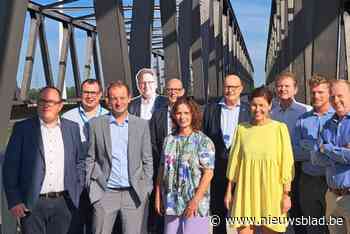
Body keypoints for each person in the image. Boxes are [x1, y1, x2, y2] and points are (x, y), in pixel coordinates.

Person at [3, 87, 85, 234]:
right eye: (42, 101)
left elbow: (79, 162)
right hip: (32, 203)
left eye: (51, 102)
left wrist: (77, 190)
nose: (46, 105)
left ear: (60, 105)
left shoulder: (72, 128)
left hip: (65, 202)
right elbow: (10, 167)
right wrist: (15, 200)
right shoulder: (22, 129)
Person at [86, 81, 153, 234]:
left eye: (122, 98)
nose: (118, 102)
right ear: (108, 100)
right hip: (105, 193)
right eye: (114, 98)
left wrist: (146, 189)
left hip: (134, 194)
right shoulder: (96, 125)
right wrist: (92, 187)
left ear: (130, 98)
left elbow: (147, 160)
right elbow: (90, 158)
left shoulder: (141, 125)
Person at [225, 86, 294, 234]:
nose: (257, 109)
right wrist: (229, 191)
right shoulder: (241, 129)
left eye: (262, 105)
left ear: (269, 106)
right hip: (245, 190)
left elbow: (286, 164)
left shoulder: (279, 129)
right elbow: (234, 163)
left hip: (272, 191)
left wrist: (286, 195)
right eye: (254, 105)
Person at [155, 97, 215, 234]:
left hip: (195, 204)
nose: (182, 117)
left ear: (193, 114)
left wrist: (195, 201)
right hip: (171, 203)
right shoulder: (168, 140)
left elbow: (208, 173)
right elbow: (161, 169)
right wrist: (158, 196)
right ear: (174, 115)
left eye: (186, 113)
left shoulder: (203, 141)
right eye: (179, 113)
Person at [202, 74, 250, 234]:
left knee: (243, 216)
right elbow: (204, 138)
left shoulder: (249, 110)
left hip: (243, 172)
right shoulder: (211, 109)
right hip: (217, 171)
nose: (230, 90)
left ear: (241, 89)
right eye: (227, 87)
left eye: (234, 87)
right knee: (217, 215)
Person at [62, 79, 108, 234]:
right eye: (86, 92)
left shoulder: (109, 117)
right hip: (76, 179)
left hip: (102, 178)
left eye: (93, 92)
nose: (90, 96)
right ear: (81, 94)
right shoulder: (68, 117)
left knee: (99, 224)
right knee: (76, 224)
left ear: (100, 94)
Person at [271, 72, 311, 234]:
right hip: (277, 169)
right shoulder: (271, 113)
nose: (283, 89)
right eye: (280, 86)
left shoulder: (306, 111)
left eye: (287, 86)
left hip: (299, 166)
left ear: (295, 89)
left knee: (299, 209)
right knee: (278, 209)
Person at [294, 75, 334, 234]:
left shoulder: (338, 118)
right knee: (312, 225)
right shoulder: (302, 120)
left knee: (335, 225)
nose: (316, 96)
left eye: (320, 92)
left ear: (329, 93)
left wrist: (308, 149)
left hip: (332, 181)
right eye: (313, 92)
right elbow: (295, 152)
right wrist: (320, 151)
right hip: (308, 180)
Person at [311, 80, 350, 234]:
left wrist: (326, 148)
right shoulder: (327, 125)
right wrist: (342, 152)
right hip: (332, 196)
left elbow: (322, 151)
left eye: (340, 96)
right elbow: (315, 158)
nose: (336, 101)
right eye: (333, 97)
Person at [148, 78, 185, 234]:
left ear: (183, 92)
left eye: (177, 90)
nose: (173, 93)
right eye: (170, 89)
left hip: (185, 173)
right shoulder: (157, 115)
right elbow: (152, 143)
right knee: (164, 214)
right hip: (163, 171)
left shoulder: (192, 112)